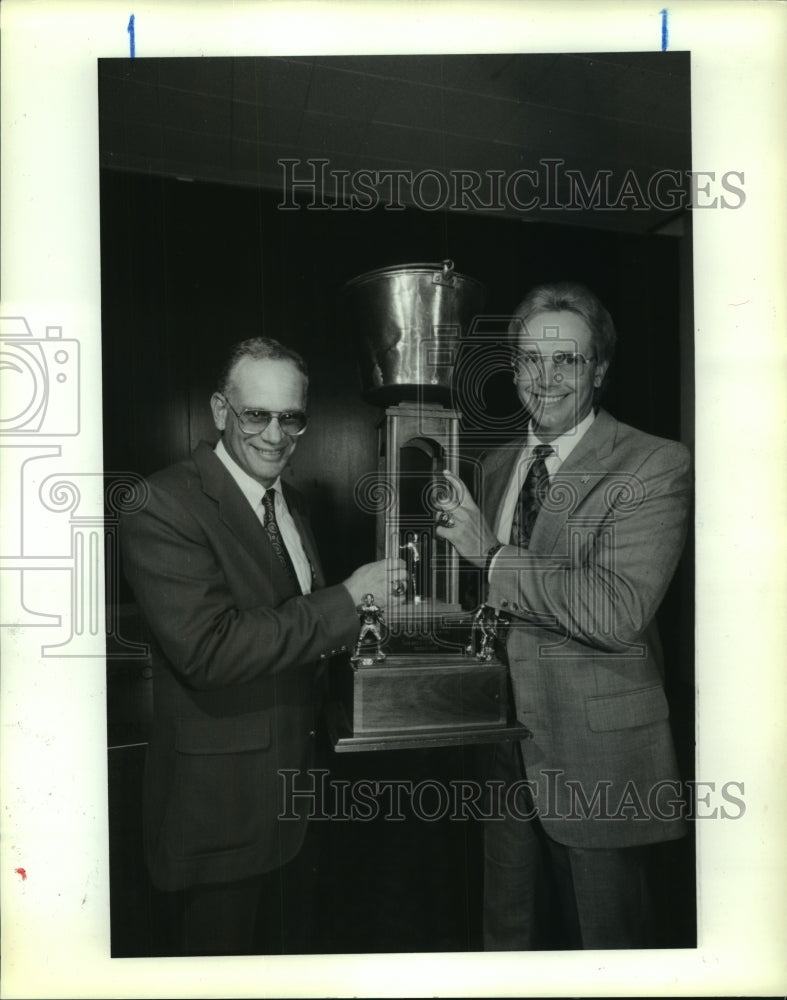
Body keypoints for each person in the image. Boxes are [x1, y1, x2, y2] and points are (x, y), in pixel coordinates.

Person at [120, 336, 405, 956]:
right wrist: (348, 599)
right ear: (221, 410)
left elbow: (299, 636)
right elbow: (210, 650)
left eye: (292, 417)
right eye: (257, 415)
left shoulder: (290, 501)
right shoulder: (160, 503)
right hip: (219, 816)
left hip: (296, 802)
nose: (276, 435)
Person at [436, 282, 692, 950]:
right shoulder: (493, 467)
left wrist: (489, 554)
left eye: (567, 362)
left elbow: (614, 611)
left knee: (604, 948)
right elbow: (491, 604)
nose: (544, 380)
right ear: (513, 366)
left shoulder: (653, 463)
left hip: (598, 760)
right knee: (506, 937)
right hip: (501, 748)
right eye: (529, 360)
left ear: (598, 370)